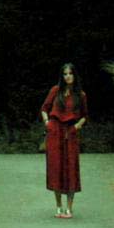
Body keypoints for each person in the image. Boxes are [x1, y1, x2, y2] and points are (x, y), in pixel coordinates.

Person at [40, 62, 88, 218]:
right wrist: (47, 123)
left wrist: (76, 127)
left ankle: (69, 208)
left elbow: (84, 116)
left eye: (70, 73)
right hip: (55, 132)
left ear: (75, 75)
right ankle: (58, 206)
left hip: (71, 132)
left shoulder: (80, 95)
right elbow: (44, 108)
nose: (68, 76)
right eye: (65, 74)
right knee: (56, 168)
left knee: (71, 168)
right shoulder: (55, 91)